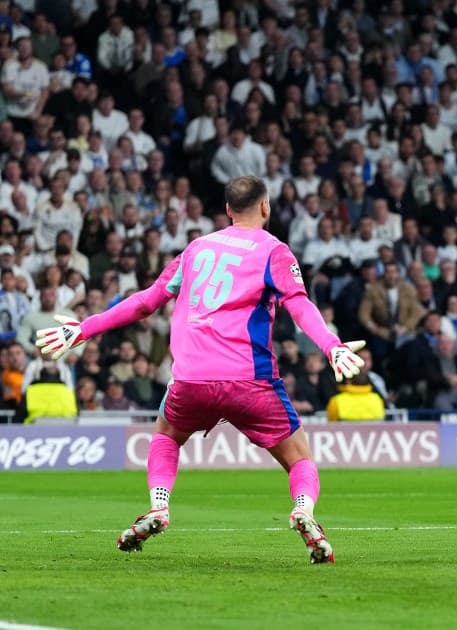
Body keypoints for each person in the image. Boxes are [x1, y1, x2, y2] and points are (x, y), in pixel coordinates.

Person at [36, 176, 365, 564]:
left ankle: (159, 505)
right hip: (250, 381)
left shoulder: (195, 249)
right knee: (300, 458)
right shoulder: (274, 251)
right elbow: (299, 306)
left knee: (166, 435)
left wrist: (84, 328)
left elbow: (145, 302)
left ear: (228, 210)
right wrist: (331, 346)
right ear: (265, 207)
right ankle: (303, 511)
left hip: (191, 379)